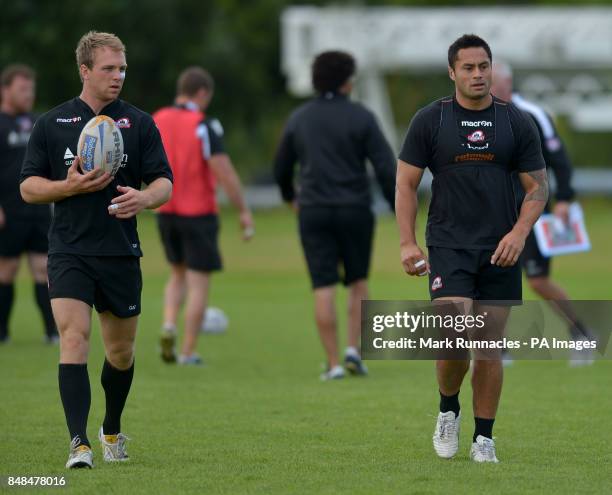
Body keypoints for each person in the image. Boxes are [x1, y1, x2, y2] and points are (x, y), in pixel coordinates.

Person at [20, 31, 173, 469]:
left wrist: (144, 199)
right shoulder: (52, 123)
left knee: (120, 354)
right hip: (69, 250)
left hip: (121, 252)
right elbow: (29, 187)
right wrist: (66, 186)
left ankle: (110, 428)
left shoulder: (139, 123)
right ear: (85, 70)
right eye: (108, 68)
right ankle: (78, 443)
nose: (118, 76)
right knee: (73, 338)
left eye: (122, 68)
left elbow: (164, 180)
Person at [395, 34, 548, 462]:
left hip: (500, 248)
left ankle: (484, 439)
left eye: (484, 66)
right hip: (448, 244)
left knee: (488, 347)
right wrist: (407, 241)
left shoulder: (515, 122)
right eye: (468, 68)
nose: (478, 74)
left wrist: (519, 233)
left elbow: (538, 187)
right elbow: (405, 183)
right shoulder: (431, 120)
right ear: (452, 72)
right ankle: (448, 409)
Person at [273, 51, 396, 381]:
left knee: (323, 285)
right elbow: (385, 166)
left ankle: (333, 364)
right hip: (355, 208)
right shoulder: (362, 116)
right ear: (348, 81)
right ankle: (354, 350)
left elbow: (281, 166)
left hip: (313, 209)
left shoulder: (300, 117)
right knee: (358, 280)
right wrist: (397, 206)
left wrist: (290, 197)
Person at [491, 61, 594, 366]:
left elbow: (559, 159)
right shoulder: (481, 117)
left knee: (537, 280)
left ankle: (581, 333)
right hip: (496, 211)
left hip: (532, 211)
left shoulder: (532, 115)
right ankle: (499, 348)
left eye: (491, 81)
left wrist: (564, 198)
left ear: (506, 85)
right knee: (496, 275)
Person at [153, 67, 254, 365]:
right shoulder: (204, 124)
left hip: (165, 209)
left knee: (176, 274)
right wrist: (243, 210)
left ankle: (169, 324)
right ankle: (187, 351)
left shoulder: (157, 119)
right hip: (197, 212)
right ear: (203, 93)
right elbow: (223, 169)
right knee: (198, 282)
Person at [0, 64, 57, 344]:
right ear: (5, 90)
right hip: (7, 212)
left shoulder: (37, 123)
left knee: (43, 269)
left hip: (37, 210)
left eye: (31, 89)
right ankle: (2, 333)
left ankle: (52, 332)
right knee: (6, 270)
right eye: (22, 89)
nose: (28, 94)